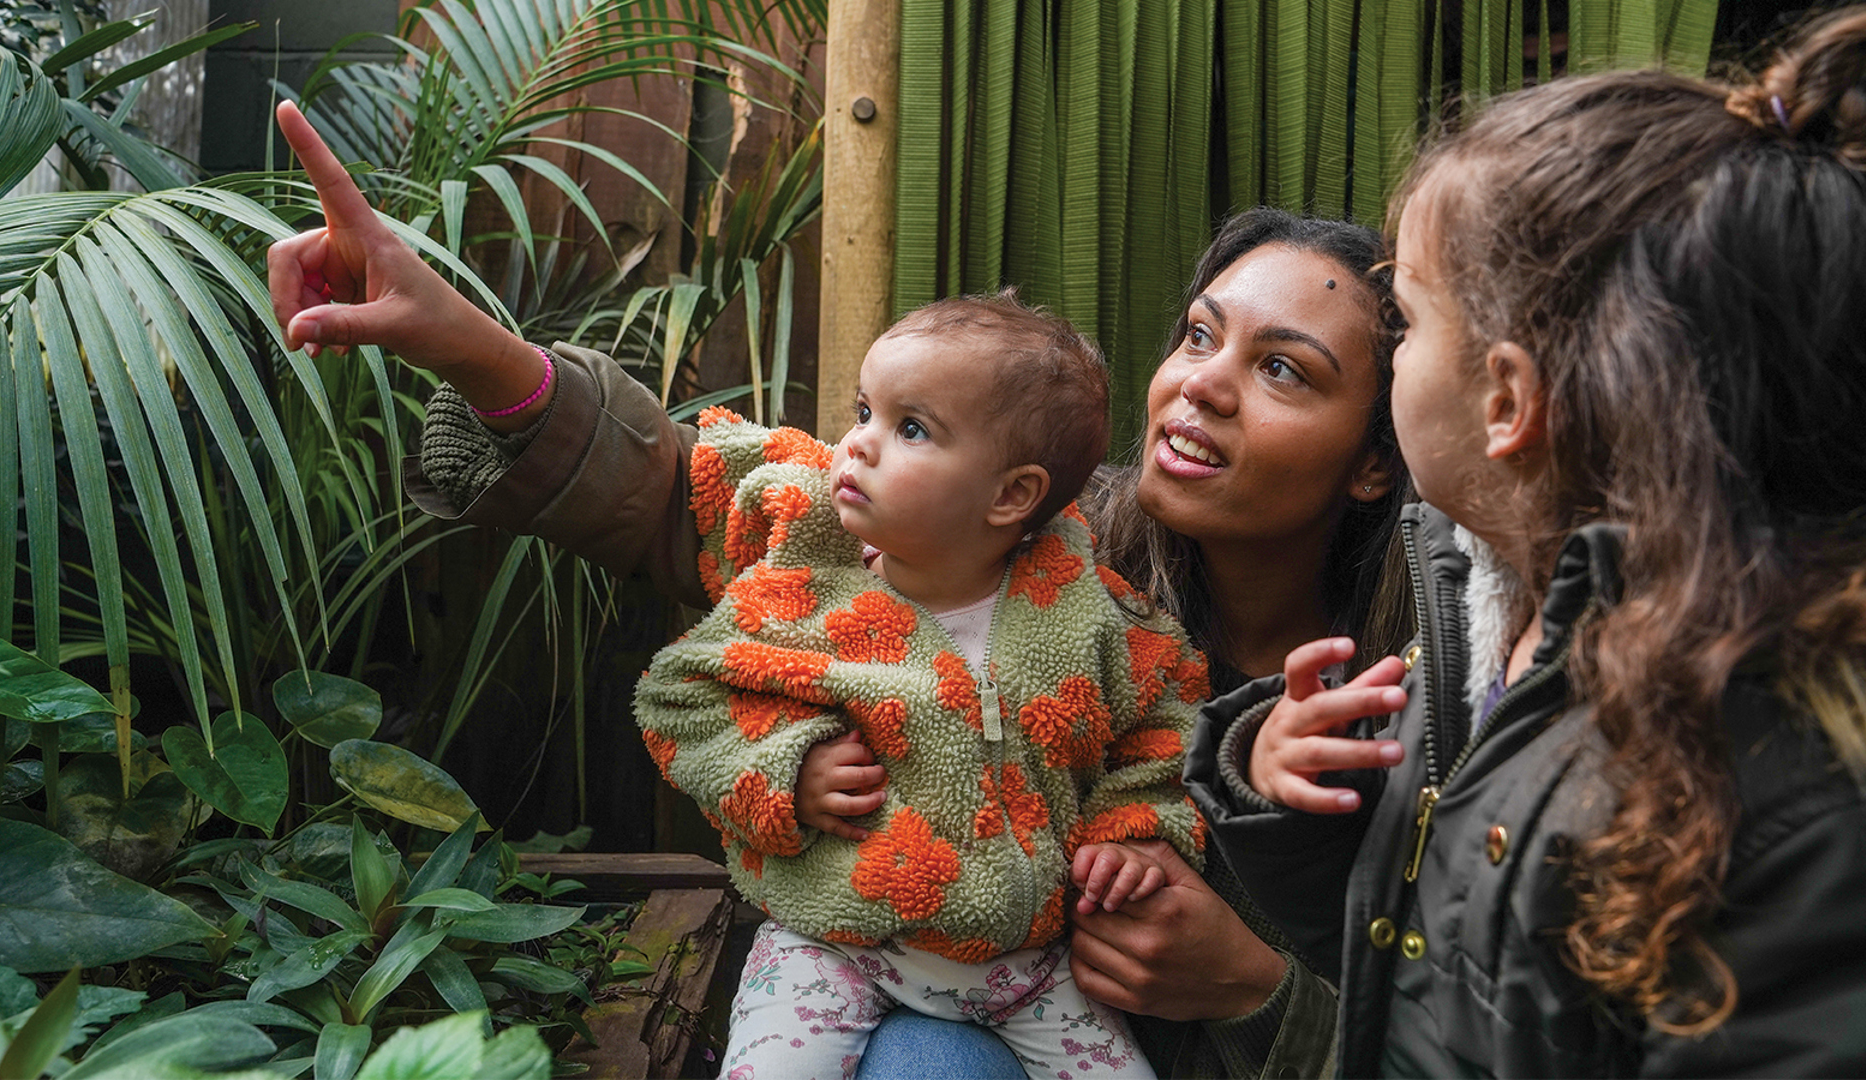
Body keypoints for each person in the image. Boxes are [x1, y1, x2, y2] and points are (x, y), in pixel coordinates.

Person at [270, 97, 1409, 1076]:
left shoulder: (1433, 706)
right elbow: (697, 496)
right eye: (1200, 334)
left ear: (1376, 456)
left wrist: (1256, 992)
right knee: (923, 1055)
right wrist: (467, 344)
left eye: (1279, 369)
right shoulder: (1029, 543)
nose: (1202, 385)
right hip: (935, 996)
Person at [1189, 8, 1866, 1075]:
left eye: (1404, 325)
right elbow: (1431, 972)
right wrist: (1299, 812)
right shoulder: (1473, 636)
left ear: (1507, 399)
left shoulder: (1772, 787)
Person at [631, 292, 1209, 1078]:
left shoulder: (1083, 611)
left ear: (1011, 495)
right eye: (864, 410)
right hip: (834, 943)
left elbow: (1170, 713)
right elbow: (678, 699)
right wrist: (787, 768)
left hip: (1030, 964)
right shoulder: (805, 593)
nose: (858, 445)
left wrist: (1135, 826)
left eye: (910, 428)